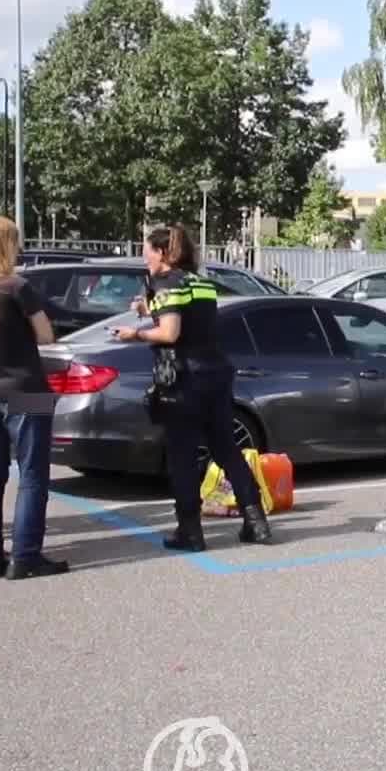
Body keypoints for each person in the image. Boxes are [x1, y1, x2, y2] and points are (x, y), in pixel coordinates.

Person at [113, 224, 272, 551]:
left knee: (182, 455)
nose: (145, 259)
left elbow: (170, 333)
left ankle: (190, 531)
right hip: (215, 373)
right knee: (226, 450)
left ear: (162, 253)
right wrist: (149, 309)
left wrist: (136, 333)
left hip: (184, 379)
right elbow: (191, 317)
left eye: (147, 253)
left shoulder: (165, 283)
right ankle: (255, 521)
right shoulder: (201, 284)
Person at [0, 215, 65, 580]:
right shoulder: (17, 287)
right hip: (28, 390)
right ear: (5, 245)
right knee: (32, 476)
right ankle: (26, 556)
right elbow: (45, 336)